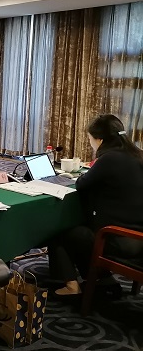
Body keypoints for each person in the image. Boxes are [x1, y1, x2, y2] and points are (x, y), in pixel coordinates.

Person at [49, 114, 143, 295]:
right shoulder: (139, 155)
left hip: (118, 239)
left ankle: (72, 287)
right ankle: (103, 279)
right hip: (138, 238)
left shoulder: (109, 159)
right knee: (83, 230)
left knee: (58, 232)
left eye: (90, 139)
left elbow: (81, 184)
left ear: (100, 140)